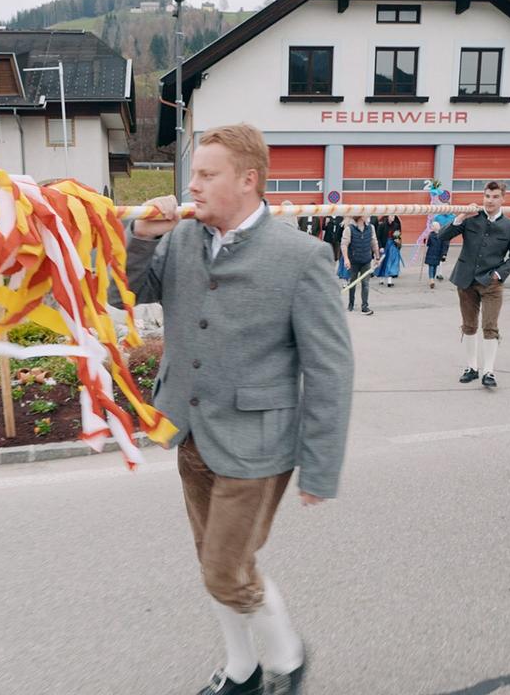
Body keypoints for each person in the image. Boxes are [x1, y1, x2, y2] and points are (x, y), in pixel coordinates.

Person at [119, 123, 353, 695]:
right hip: (188, 430)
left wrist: (320, 466)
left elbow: (329, 368)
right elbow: (121, 293)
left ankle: (288, 658)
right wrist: (142, 237)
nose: (191, 185)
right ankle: (243, 672)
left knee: (226, 570)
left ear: (248, 181)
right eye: (192, 173)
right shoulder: (180, 239)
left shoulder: (301, 256)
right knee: (216, 568)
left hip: (256, 445)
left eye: (206, 174)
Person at [438, 181, 510, 388]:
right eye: (487, 196)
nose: (490, 201)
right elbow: (442, 236)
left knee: (490, 327)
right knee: (469, 325)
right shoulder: (471, 219)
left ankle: (489, 372)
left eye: (495, 197)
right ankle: (471, 367)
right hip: (466, 279)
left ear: (503, 198)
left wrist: (498, 273)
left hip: (491, 283)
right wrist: (460, 218)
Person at [341, 214, 381, 315]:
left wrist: (377, 257)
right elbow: (344, 245)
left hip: (366, 260)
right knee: (352, 283)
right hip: (354, 261)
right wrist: (346, 259)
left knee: (365, 284)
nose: (367, 215)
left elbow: (374, 242)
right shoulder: (349, 229)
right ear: (359, 216)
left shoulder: (371, 228)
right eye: (365, 214)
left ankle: (365, 306)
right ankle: (351, 303)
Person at [375, 216, 403, 286]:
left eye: (393, 216)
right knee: (383, 262)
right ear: (388, 217)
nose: (393, 218)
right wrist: (380, 247)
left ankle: (389, 281)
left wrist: (398, 244)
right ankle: (381, 278)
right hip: (384, 246)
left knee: (391, 261)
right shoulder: (382, 225)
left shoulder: (396, 225)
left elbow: (397, 236)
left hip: (392, 245)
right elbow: (378, 237)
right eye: (391, 216)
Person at [424, 220, 450, 289]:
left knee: (434, 266)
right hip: (431, 252)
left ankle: (432, 278)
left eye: (432, 226)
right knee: (431, 266)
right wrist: (425, 240)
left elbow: (445, 245)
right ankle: (431, 279)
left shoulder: (443, 235)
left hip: (438, 253)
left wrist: (444, 254)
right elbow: (428, 244)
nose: (431, 227)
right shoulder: (430, 235)